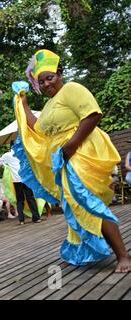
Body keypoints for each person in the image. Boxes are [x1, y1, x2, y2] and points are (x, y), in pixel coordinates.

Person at [14, 48, 131, 272]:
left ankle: (123, 255)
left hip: (81, 151)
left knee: (87, 201)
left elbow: (93, 114)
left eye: (50, 77)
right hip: (66, 158)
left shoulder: (71, 89)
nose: (47, 84)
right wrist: (23, 103)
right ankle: (91, 248)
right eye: (42, 81)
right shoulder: (49, 105)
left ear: (60, 73)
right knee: (76, 203)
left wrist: (70, 146)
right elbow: (36, 127)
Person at [0, 147, 41, 225]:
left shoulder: (7, 155)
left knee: (20, 200)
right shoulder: (23, 152)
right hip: (26, 178)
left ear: (10, 147)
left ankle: (21, 220)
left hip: (17, 181)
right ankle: (36, 218)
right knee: (30, 198)